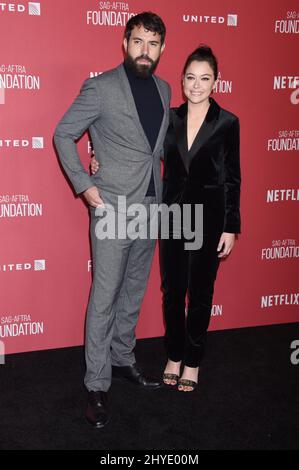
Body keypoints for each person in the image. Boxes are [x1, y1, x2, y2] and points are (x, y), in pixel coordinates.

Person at [54, 12, 171, 428]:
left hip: (151, 208)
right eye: (138, 41)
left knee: (133, 291)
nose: (145, 50)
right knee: (104, 298)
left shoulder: (164, 88)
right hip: (112, 209)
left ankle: (122, 359)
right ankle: (96, 384)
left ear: (161, 49)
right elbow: (63, 133)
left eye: (153, 44)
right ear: (125, 42)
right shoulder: (100, 88)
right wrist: (85, 185)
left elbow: (153, 148)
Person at [161, 45, 241, 392]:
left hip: (209, 220)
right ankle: (174, 355)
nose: (196, 85)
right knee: (172, 292)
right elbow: (137, 150)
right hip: (173, 216)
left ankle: (192, 361)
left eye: (204, 78)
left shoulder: (227, 122)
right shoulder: (169, 118)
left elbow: (233, 177)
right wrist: (98, 160)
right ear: (182, 80)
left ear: (216, 81)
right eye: (191, 77)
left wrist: (231, 225)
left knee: (201, 292)